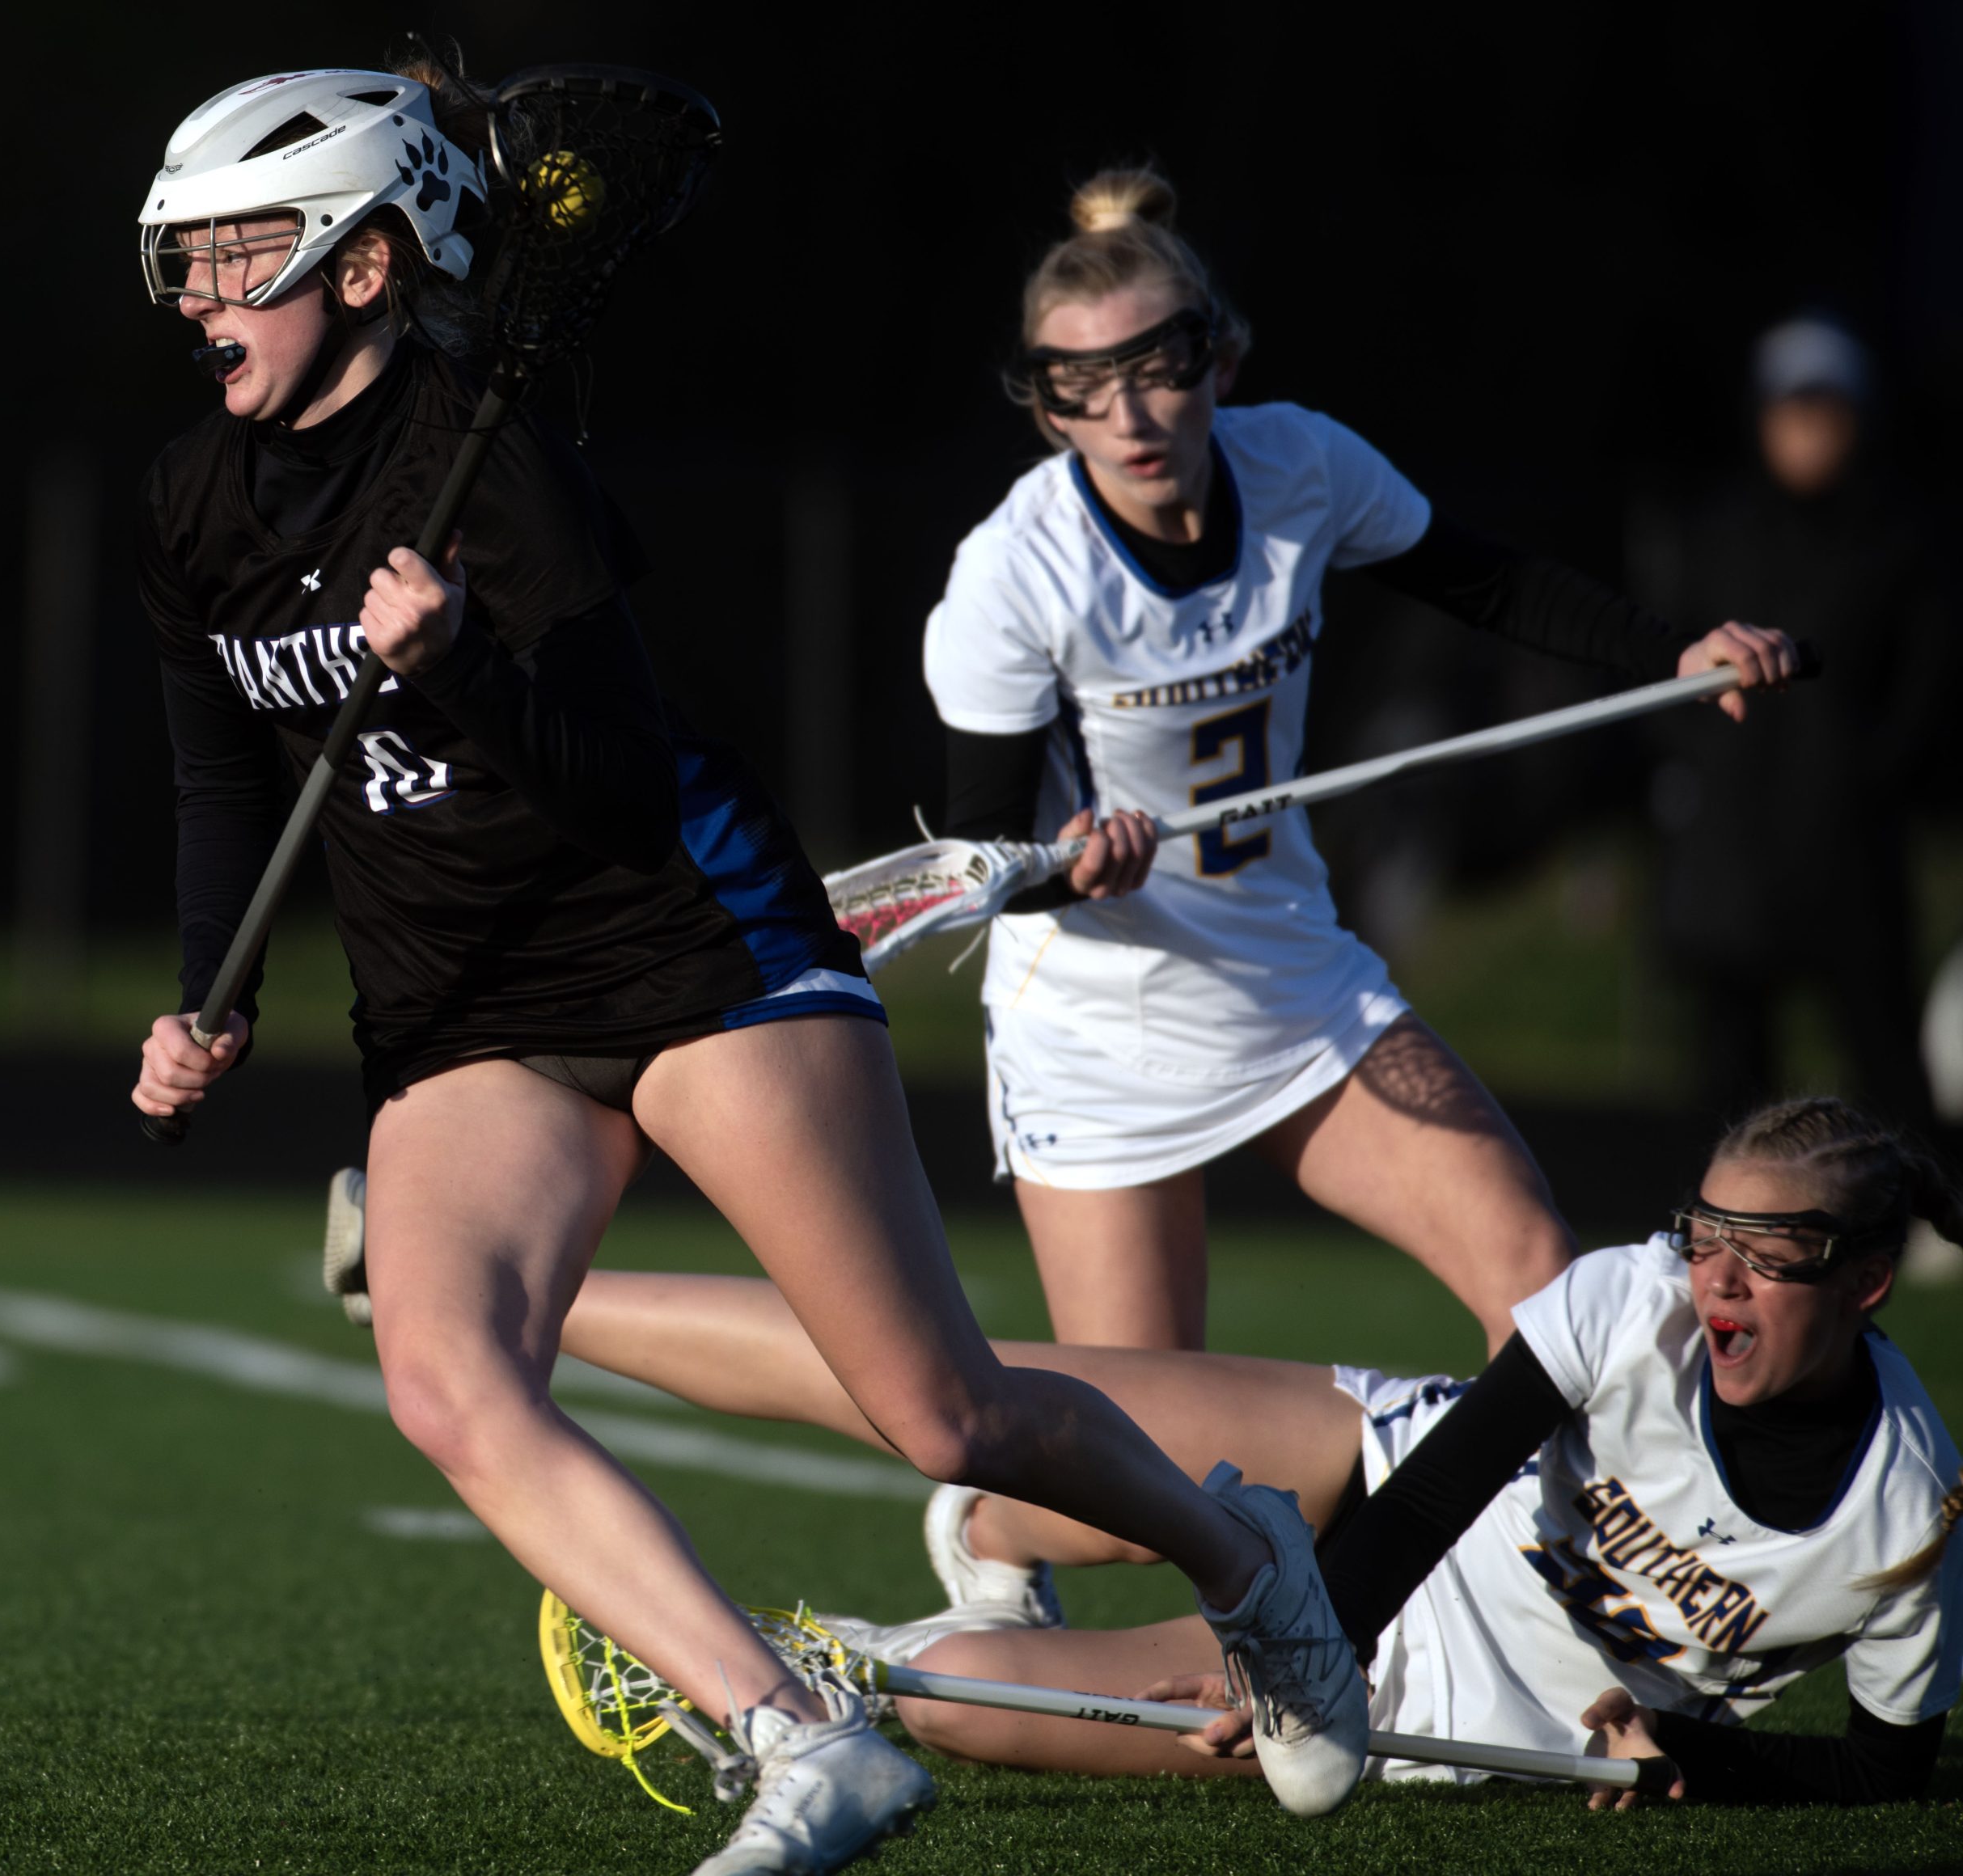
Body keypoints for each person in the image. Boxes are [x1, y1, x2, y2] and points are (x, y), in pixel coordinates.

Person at [125, 64, 1379, 1874]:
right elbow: (221, 777)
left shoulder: (496, 466)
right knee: (447, 1380)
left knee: (940, 1409)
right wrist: (212, 991)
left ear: (366, 264)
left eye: (240, 255)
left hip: (687, 947)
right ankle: (799, 1735)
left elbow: (623, 790)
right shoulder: (191, 500)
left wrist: (462, 664)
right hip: (460, 1008)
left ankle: (1241, 1555)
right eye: (186, 260)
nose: (199, 297)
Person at [926, 168, 1802, 1354]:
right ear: (1047, 411)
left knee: (1540, 1283)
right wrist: (1066, 865)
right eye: (1079, 385)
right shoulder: (1015, 570)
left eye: (1154, 368)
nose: (1125, 417)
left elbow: (1486, 583)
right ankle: (1015, 1485)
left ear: (1220, 360)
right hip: (1098, 1022)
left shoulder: (1301, 466)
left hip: (1291, 972)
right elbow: (985, 848)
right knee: (1149, 1436)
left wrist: (1673, 655)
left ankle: (1500, 1493)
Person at [557, 1097, 1961, 1807]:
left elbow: (1895, 1769)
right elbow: (1438, 1488)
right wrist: (1296, 1663)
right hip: (1372, 1477)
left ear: (1866, 1282)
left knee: (957, 1703)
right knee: (957, 1392)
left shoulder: (1908, 1516)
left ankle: (920, 1608)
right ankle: (519, 1301)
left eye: (1770, 1255)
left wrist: (1704, 1761)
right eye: (1706, 1236)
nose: (1717, 1281)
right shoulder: (1634, 1298)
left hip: (1455, 1698)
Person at [1637, 314, 1957, 1142]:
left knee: (1883, 1059)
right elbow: (1666, 666)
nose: (1808, 432)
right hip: (1731, 855)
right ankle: (1727, 1211)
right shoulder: (1715, 532)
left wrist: (1871, 779)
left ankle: (1917, 1201)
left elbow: (1923, 689)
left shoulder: (1898, 541)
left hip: (1849, 849)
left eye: (1827, 412)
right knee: (1732, 1082)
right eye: (1792, 411)